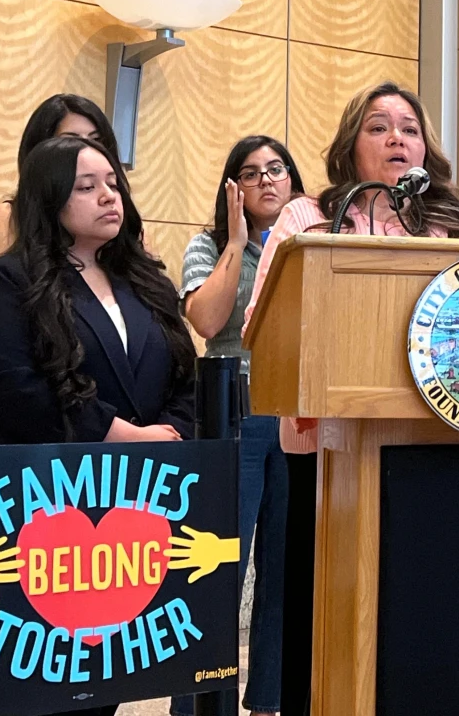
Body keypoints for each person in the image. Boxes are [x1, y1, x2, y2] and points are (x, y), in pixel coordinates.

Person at [243, 82, 459, 716]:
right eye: (379, 127)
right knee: (322, 604)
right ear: (351, 145)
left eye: (409, 128)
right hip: (326, 446)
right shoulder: (307, 217)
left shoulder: (454, 223)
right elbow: (265, 322)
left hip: (436, 440)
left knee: (418, 604)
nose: (397, 138)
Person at [0, 135, 196, 716]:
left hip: (141, 505)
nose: (109, 197)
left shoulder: (146, 280)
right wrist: (120, 434)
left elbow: (185, 378)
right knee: (47, 678)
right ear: (50, 198)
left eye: (113, 184)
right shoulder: (9, 280)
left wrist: (168, 433)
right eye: (87, 187)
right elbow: (16, 389)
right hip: (47, 508)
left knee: (106, 674)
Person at [169, 137, 306, 716]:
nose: (266, 180)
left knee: (287, 566)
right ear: (233, 188)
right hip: (235, 414)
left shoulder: (312, 243)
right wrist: (236, 242)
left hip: (300, 415)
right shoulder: (209, 246)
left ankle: (271, 698)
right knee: (217, 562)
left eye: (276, 169)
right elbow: (205, 320)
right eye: (251, 174)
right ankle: (197, 703)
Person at [0, 94, 120, 263]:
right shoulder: (11, 217)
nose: (87, 149)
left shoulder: (123, 221)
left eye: (97, 140)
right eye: (71, 140)